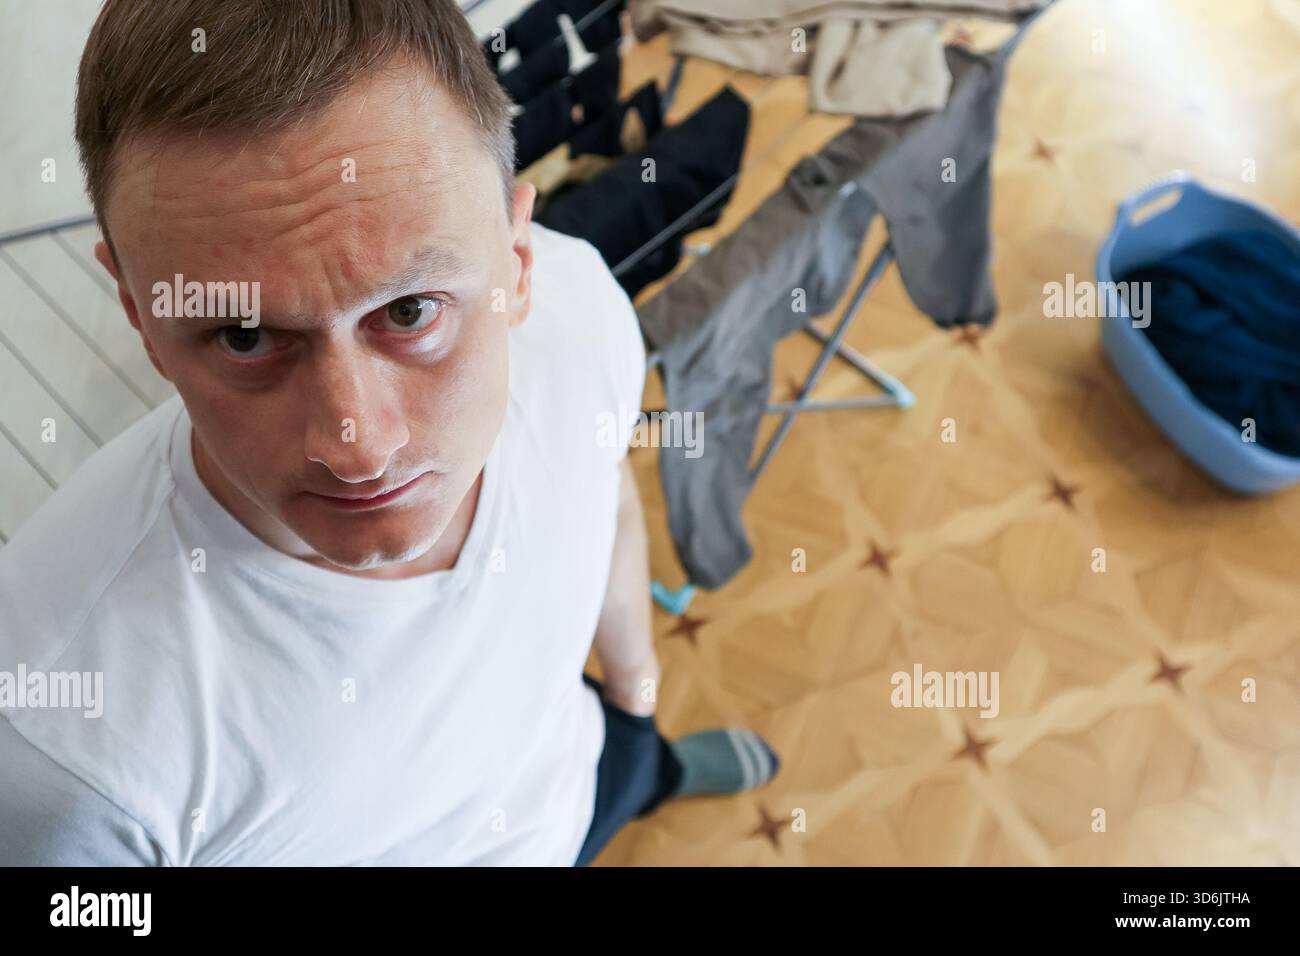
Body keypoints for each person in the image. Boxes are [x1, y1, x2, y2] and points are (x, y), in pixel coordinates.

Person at [0, 0, 778, 866]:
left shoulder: (582, 312)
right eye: (246, 337)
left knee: (629, 767)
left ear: (519, 262)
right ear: (141, 315)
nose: (359, 446)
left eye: (409, 312)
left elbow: (602, 492)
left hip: (578, 766)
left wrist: (632, 708)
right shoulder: (58, 758)